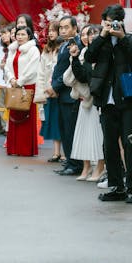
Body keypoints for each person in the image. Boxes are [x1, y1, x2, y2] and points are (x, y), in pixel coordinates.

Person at [85, 4, 132, 204]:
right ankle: (116, 186)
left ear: (121, 22)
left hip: (127, 100)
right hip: (106, 101)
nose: (111, 26)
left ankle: (130, 187)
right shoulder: (101, 41)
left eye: (114, 23)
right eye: (108, 23)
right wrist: (102, 36)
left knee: (129, 145)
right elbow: (88, 57)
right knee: (109, 146)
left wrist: (122, 39)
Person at [69, 25, 105, 181]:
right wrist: (75, 58)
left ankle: (100, 167)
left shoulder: (104, 53)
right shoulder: (85, 53)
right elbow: (83, 77)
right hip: (85, 101)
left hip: (98, 101)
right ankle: (86, 167)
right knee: (83, 135)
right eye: (85, 34)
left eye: (92, 34)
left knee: (98, 136)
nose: (88, 37)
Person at [51, 16, 82, 176]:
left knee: (71, 130)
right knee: (64, 130)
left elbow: (68, 70)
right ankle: (69, 161)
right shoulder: (64, 44)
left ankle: (76, 164)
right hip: (61, 94)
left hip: (70, 94)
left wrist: (54, 86)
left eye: (66, 27)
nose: (63, 30)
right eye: (61, 28)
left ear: (75, 28)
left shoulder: (76, 44)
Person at [4, 25, 40, 156]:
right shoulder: (13, 49)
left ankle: (25, 149)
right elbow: (7, 66)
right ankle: (13, 148)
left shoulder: (33, 50)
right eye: (18, 34)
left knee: (26, 117)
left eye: (23, 34)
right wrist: (12, 79)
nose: (20, 37)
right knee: (14, 116)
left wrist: (20, 82)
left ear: (29, 36)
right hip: (14, 85)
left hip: (27, 87)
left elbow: (33, 69)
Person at [36, 21, 63, 163]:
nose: (51, 33)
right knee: (52, 121)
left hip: (60, 91)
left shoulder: (63, 48)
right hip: (48, 91)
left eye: (54, 30)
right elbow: (40, 72)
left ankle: (64, 152)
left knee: (61, 122)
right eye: (49, 31)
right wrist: (42, 90)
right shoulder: (46, 50)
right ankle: (56, 152)